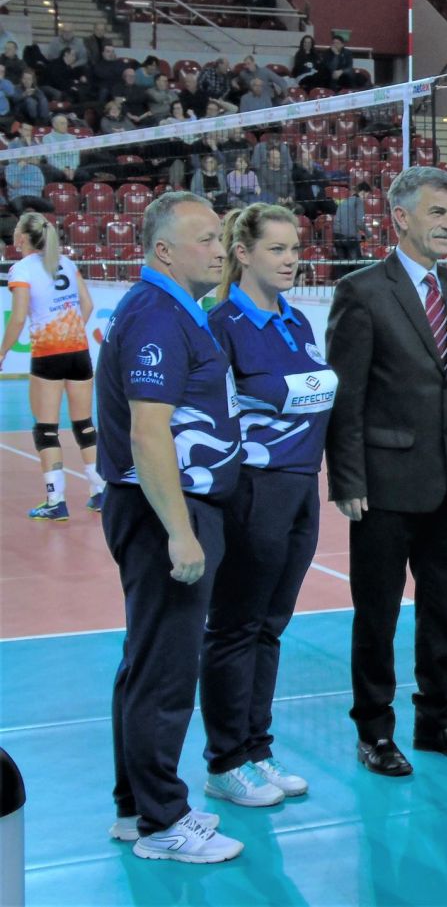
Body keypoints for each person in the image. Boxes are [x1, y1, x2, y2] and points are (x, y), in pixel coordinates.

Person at [325, 165, 447, 776]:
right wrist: (347, 480)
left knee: (441, 609)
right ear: (400, 217)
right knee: (378, 614)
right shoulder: (363, 290)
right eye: (437, 213)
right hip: (384, 485)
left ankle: (437, 720)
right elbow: (346, 396)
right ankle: (374, 730)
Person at [96, 191, 245, 862]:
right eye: (206, 238)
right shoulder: (157, 316)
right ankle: (164, 822)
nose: (221, 248)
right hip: (164, 511)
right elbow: (149, 432)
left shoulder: (176, 310)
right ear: (163, 250)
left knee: (147, 661)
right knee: (166, 671)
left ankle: (137, 808)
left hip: (165, 507)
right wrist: (180, 531)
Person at [199, 203, 338, 806]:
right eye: (277, 249)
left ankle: (257, 747)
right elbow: (213, 414)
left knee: (271, 625)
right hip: (253, 490)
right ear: (243, 253)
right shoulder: (221, 324)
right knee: (236, 626)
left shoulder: (297, 320)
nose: (291, 260)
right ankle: (225, 761)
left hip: (301, 487)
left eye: (295, 249)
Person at [0, 212, 106, 518]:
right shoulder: (67, 263)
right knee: (84, 425)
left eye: (16, 231)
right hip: (79, 351)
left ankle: (55, 501)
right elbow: (88, 304)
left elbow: (19, 317)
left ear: (22, 237)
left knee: (46, 430)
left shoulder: (22, 269)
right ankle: (100, 492)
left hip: (48, 353)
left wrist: (2, 352)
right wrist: (71, 331)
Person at [332, 181, 368, 276]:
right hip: (349, 238)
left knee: (342, 264)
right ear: (363, 192)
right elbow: (359, 222)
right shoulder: (358, 202)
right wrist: (368, 234)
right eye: (366, 195)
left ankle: (340, 281)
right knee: (357, 265)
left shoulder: (345, 201)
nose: (366, 198)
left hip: (337, 237)